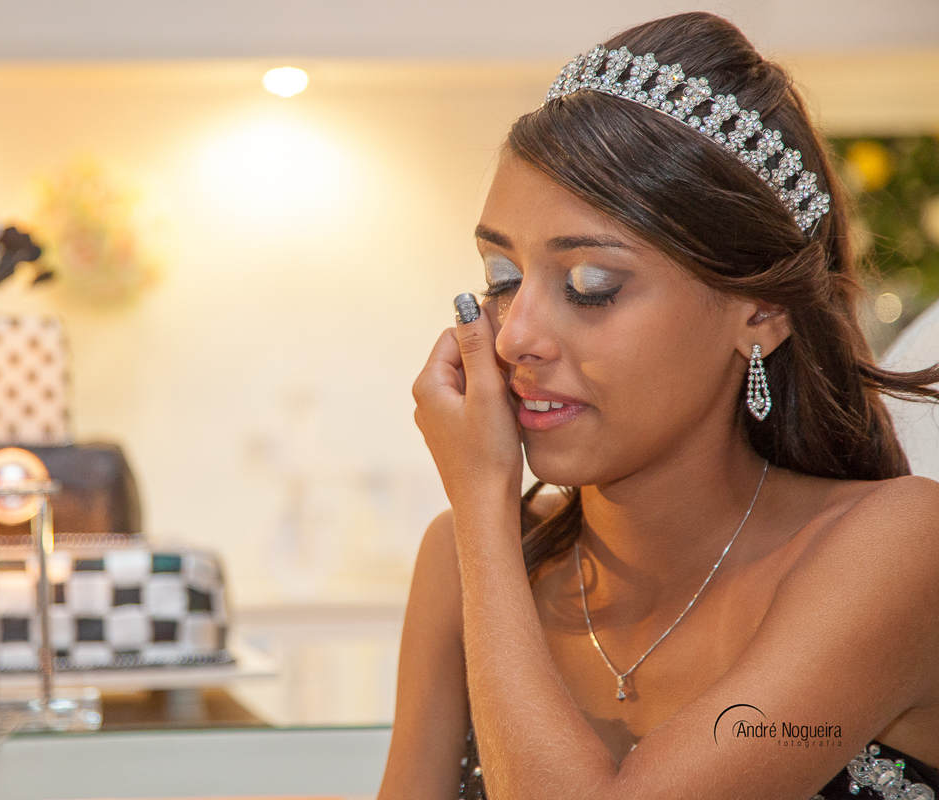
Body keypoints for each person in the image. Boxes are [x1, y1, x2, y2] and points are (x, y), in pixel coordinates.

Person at [379, 12, 939, 800]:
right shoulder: (470, 556)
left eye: (591, 287)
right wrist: (483, 529)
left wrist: (481, 507)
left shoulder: (899, 548)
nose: (514, 336)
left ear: (760, 311)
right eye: (502, 278)